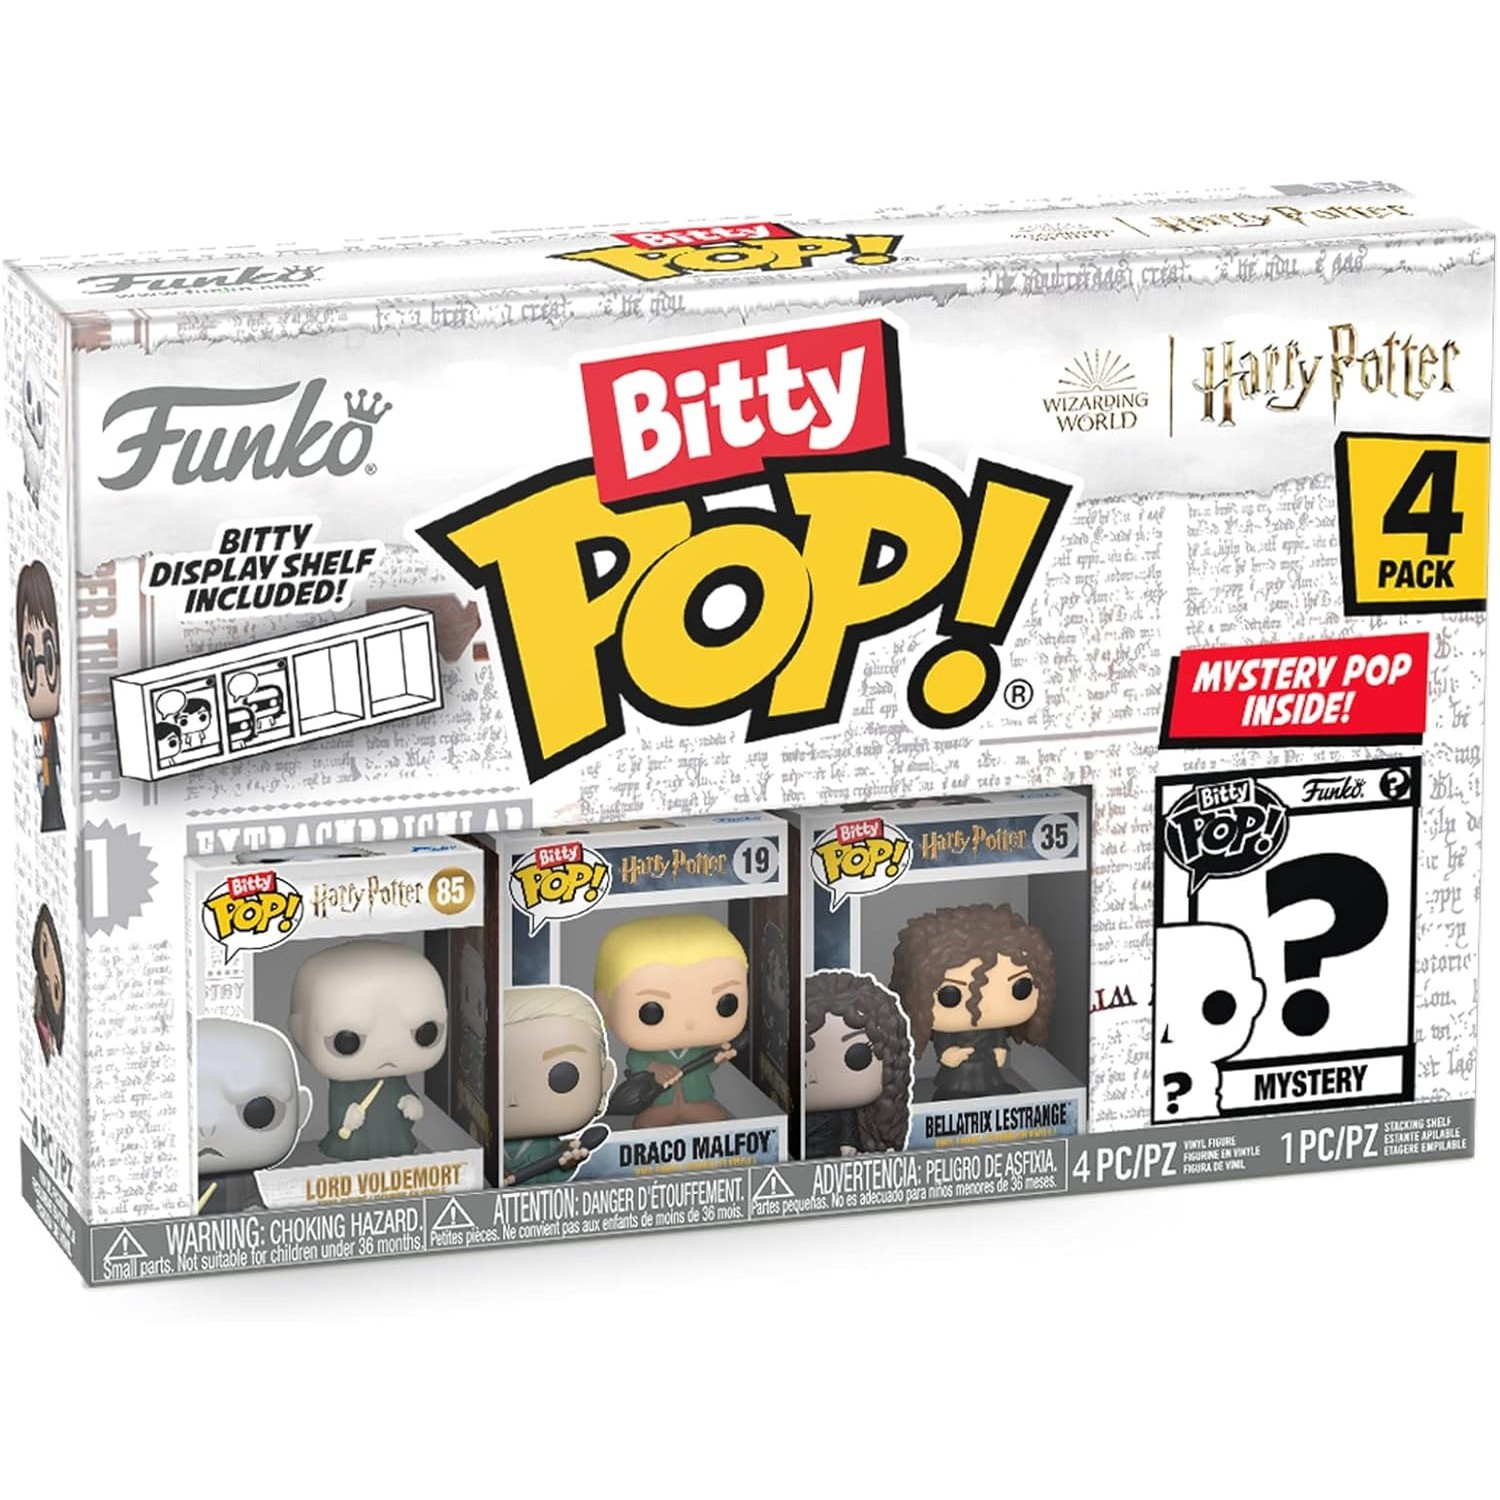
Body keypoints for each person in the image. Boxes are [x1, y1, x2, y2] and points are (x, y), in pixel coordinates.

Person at [288, 940, 449, 1161]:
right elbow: (339, 1106)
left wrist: (411, 1103)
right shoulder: (344, 1085)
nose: (388, 1046)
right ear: (299, 1031)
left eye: (425, 1033)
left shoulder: (394, 1079)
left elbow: (404, 1092)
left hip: (394, 1137)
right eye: (347, 1041)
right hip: (354, 1143)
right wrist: (346, 1118)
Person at [890, 904, 1055, 1101]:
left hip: (987, 1066)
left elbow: (998, 1037)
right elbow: (943, 1041)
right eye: (950, 995)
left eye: (1020, 988)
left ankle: (991, 1090)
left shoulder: (995, 1027)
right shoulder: (948, 1030)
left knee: (991, 1082)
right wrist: (948, 1054)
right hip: (960, 1070)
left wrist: (1000, 1048)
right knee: (957, 1089)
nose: (984, 1007)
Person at [594, 914, 745, 1127]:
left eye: (725, 1004)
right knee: (648, 1124)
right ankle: (665, 1113)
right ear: (605, 1005)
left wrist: (717, 1058)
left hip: (695, 1098)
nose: (689, 1023)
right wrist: (654, 1066)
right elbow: (636, 1060)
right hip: (660, 1102)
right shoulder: (645, 1052)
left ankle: (690, 1110)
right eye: (651, 1011)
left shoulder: (700, 1049)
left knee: (715, 1119)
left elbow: (706, 1066)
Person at [502, 986, 614, 1185]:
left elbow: (556, 1170)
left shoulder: (547, 1143)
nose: (513, 1099)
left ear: (604, 1079)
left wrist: (564, 1161)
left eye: (562, 1078)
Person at [804, 969, 911, 1156]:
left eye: (858, 1056)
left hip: (830, 1152)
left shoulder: (844, 1109)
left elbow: (849, 1124)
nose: (814, 1076)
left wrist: (848, 1142)